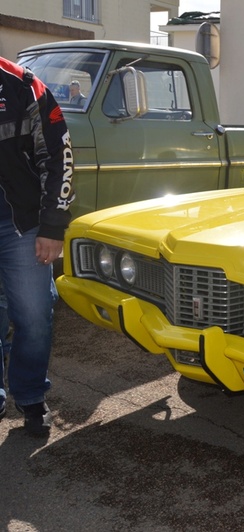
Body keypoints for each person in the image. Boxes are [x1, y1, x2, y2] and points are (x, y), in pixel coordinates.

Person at [0, 57, 74, 436]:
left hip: (21, 224)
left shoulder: (23, 85)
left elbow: (60, 158)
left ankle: (30, 397)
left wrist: (52, 226)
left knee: (32, 315)